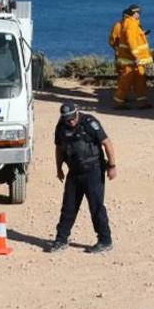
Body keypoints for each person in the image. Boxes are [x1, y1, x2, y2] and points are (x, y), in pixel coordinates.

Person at [48, 103, 116, 253]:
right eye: (67, 120)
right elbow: (59, 148)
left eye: (72, 119)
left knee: (96, 207)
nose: (71, 122)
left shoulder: (89, 123)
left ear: (76, 113)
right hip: (74, 172)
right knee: (68, 207)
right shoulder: (61, 127)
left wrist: (112, 166)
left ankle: (105, 240)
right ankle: (61, 240)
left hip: (94, 171)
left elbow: (107, 143)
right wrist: (59, 168)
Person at [109, 4, 153, 109]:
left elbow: (134, 39)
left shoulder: (133, 24)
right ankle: (119, 102)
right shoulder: (129, 24)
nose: (138, 14)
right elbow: (131, 41)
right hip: (131, 60)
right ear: (131, 14)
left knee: (139, 80)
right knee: (125, 81)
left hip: (135, 60)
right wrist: (136, 56)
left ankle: (142, 102)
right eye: (136, 13)